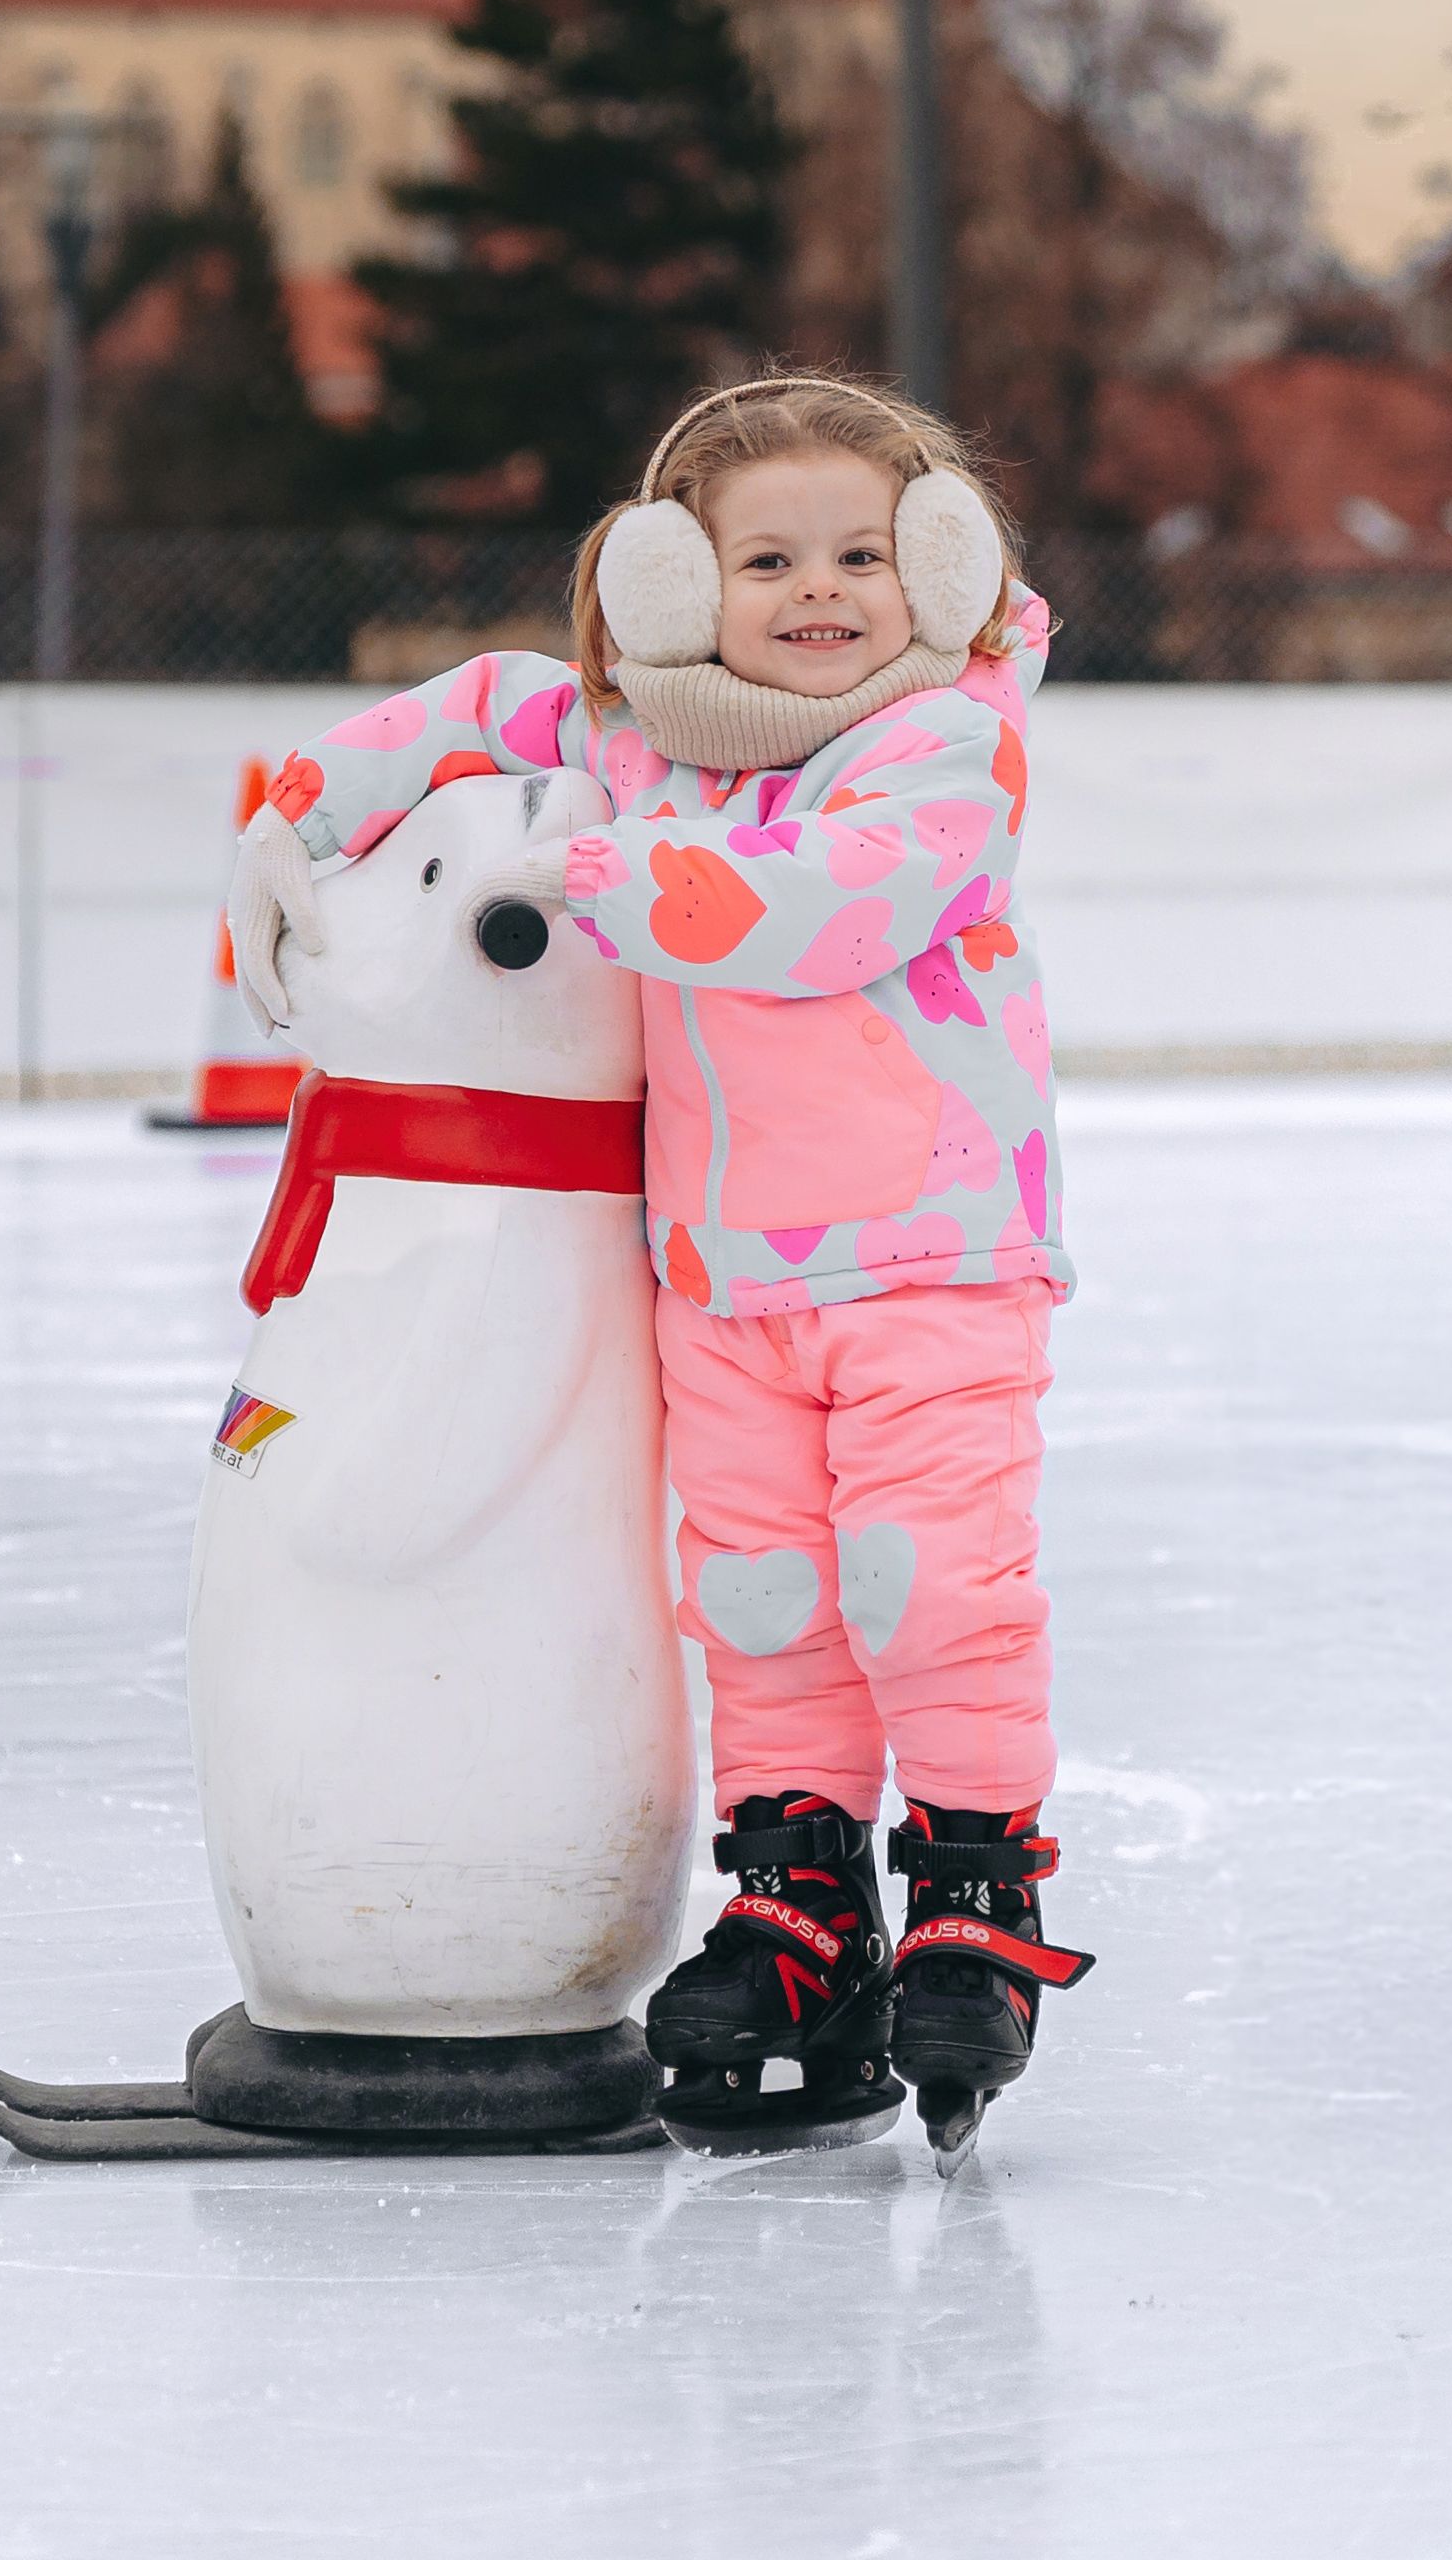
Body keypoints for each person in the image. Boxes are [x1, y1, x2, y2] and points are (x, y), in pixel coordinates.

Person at [228, 375, 1087, 2154]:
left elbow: (824, 900)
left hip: (929, 1254)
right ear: (669, 590)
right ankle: (794, 1907)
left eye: (859, 550)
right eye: (763, 558)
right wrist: (296, 813)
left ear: (933, 564)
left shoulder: (940, 746)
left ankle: (971, 1901)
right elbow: (467, 716)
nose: (818, 589)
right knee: (760, 1602)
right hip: (716, 1273)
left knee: (925, 1588)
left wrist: (597, 871)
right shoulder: (639, 740)